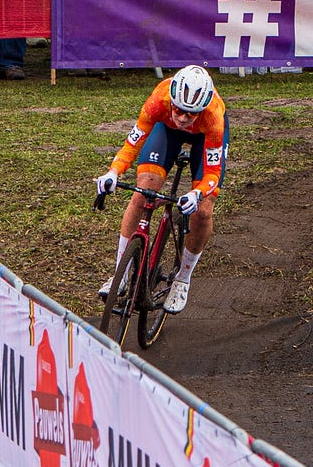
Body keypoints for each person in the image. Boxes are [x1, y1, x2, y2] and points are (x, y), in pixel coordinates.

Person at [93, 64, 226, 314]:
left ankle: (182, 279)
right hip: (166, 132)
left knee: (203, 211)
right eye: (179, 110)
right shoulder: (158, 100)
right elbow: (133, 143)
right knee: (141, 194)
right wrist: (113, 172)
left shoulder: (213, 116)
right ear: (172, 101)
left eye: (191, 114)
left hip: (204, 138)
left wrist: (197, 193)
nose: (184, 118)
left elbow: (212, 173)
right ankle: (120, 274)